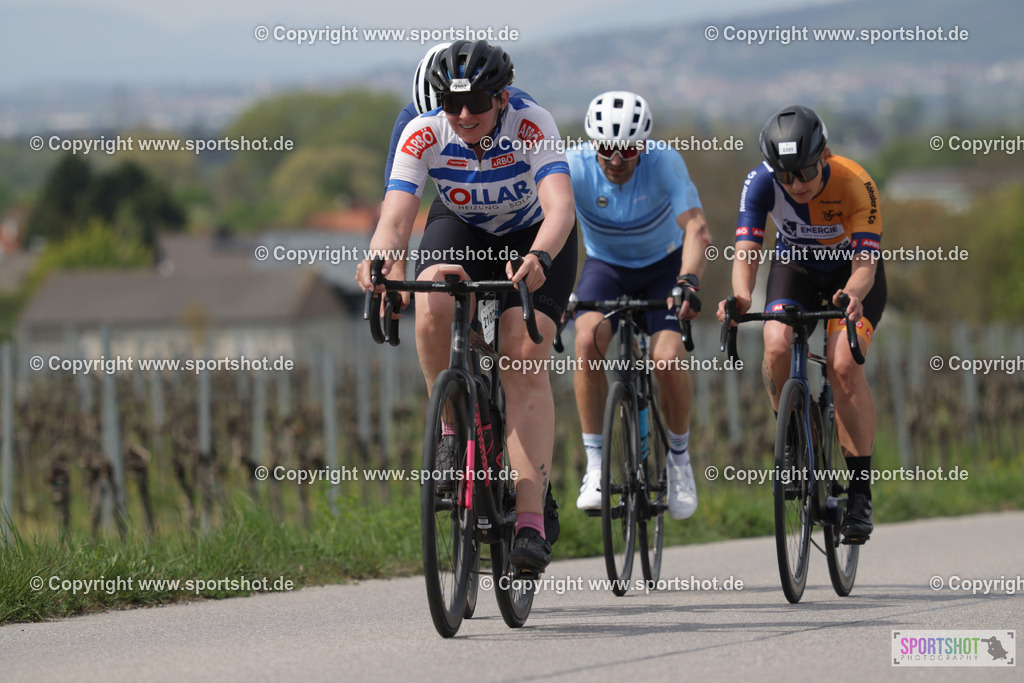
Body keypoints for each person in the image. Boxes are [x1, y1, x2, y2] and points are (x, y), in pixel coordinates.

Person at [357, 40, 577, 573]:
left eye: (475, 104)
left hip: (535, 233)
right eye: (449, 104)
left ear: (501, 98)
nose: (461, 115)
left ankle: (529, 521)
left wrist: (541, 256)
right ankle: (452, 427)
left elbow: (561, 206)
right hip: (462, 228)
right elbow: (395, 220)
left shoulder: (532, 122)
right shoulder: (424, 131)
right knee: (431, 303)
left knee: (520, 351)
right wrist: (383, 267)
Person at [716, 104, 885, 542]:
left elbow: (866, 264)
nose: (796, 184)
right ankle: (794, 436)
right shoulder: (759, 184)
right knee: (774, 344)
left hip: (852, 276)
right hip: (796, 268)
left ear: (824, 155)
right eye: (785, 176)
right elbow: (748, 250)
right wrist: (739, 296)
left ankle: (860, 492)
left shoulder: (855, 181)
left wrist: (854, 294)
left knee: (843, 367)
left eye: (806, 173)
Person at [567, 91, 711, 520]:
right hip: (605, 267)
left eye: (628, 150)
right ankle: (595, 467)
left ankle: (680, 463)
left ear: (643, 145)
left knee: (666, 359)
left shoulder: (664, 162)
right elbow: (548, 224)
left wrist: (687, 281)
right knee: (587, 341)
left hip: (663, 267)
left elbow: (697, 228)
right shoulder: (573, 166)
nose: (616, 159)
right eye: (607, 149)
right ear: (592, 143)